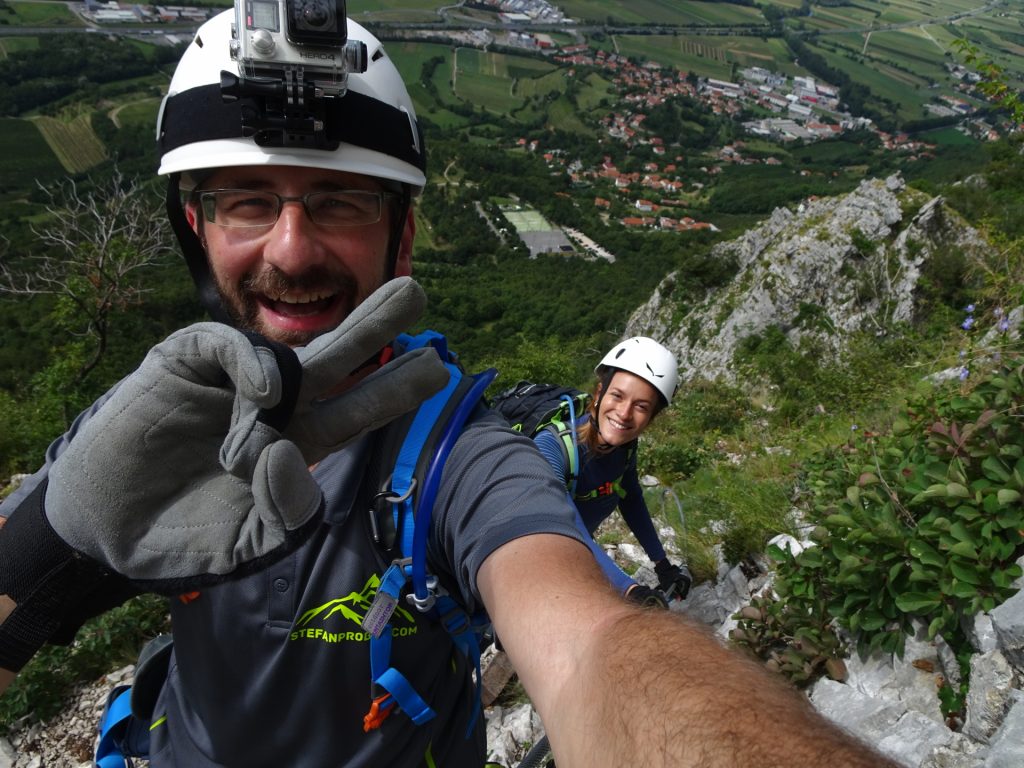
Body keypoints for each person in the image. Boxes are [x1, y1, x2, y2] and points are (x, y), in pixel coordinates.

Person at [0, 9, 900, 767]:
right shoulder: (152, 427)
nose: (290, 248)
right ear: (197, 229)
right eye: (246, 200)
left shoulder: (463, 459)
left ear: (403, 236)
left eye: (341, 200)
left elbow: (591, 651)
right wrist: (48, 546)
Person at [534, 338, 692, 608]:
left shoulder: (625, 447)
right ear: (599, 394)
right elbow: (564, 525)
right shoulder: (552, 448)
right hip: (529, 558)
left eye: (641, 406)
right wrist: (628, 589)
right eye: (617, 396)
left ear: (651, 417)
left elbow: (630, 500)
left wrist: (662, 565)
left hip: (574, 554)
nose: (624, 413)